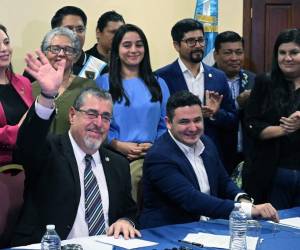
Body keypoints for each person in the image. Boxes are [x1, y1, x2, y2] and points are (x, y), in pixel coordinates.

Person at [11, 50, 140, 246]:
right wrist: (47, 96)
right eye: (91, 114)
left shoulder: (117, 164)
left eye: (106, 117)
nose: (99, 123)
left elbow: (128, 210)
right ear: (72, 115)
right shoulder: (49, 151)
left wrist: (125, 221)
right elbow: (27, 143)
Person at [139, 90, 279, 229]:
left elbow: (223, 182)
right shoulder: (159, 156)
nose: (193, 128)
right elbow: (192, 200)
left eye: (197, 120)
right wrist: (248, 210)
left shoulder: (206, 142)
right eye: (184, 122)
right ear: (168, 123)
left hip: (207, 227)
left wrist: (243, 199)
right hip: (169, 232)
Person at [96, 24, 170, 201]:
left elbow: (167, 123)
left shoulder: (159, 83)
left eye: (139, 44)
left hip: (152, 154)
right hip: (112, 154)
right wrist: (115, 143)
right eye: (127, 45)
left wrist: (153, 145)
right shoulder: (103, 83)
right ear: (117, 49)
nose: (134, 50)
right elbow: (97, 123)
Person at [155, 18, 237, 171]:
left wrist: (215, 113)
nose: (198, 45)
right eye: (191, 41)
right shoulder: (162, 77)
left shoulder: (218, 77)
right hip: (175, 156)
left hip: (211, 155)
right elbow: (159, 121)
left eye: (201, 40)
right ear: (176, 45)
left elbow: (233, 119)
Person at [243, 28, 300, 208]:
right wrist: (285, 129)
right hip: (270, 172)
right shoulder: (264, 82)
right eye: (282, 53)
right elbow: (251, 124)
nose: (287, 58)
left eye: (294, 53)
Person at [32, 27, 96, 135]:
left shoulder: (88, 87)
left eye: (68, 50)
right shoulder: (30, 88)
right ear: (45, 53)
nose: (61, 54)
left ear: (75, 56)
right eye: (55, 49)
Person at [24, 6, 107, 82]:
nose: (75, 34)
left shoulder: (100, 68)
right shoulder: (37, 66)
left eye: (80, 29)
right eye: (68, 29)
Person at [213, 31, 256, 174]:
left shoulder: (254, 80)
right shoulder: (206, 80)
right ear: (215, 55)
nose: (234, 58)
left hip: (248, 155)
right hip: (217, 153)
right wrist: (237, 104)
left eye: (239, 52)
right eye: (228, 53)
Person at [0, 24, 34, 167]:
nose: (4, 49)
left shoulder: (24, 82)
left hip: (29, 166)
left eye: (6, 42)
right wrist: (18, 131)